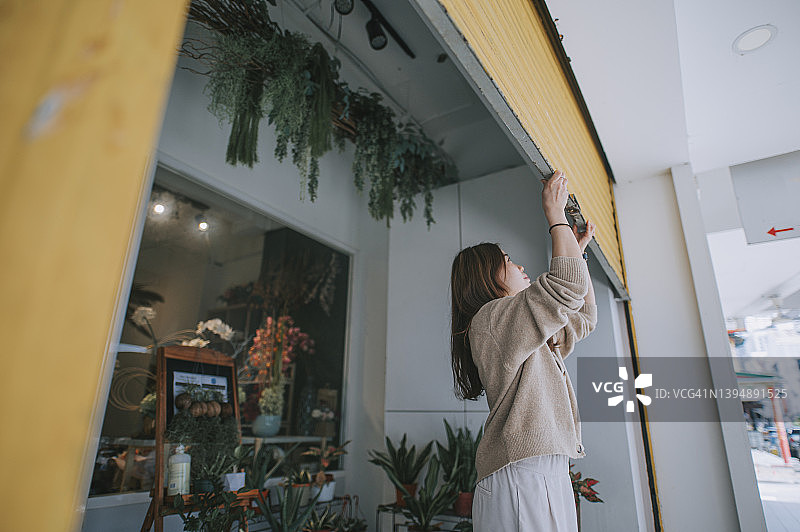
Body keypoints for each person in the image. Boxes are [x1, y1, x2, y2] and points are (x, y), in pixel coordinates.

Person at [449, 170, 598, 531]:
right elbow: (567, 287)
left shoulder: (518, 330)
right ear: (487, 277)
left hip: (542, 472)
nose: (519, 266)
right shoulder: (490, 322)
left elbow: (581, 318)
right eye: (507, 260)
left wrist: (575, 252)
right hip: (522, 474)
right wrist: (555, 216)